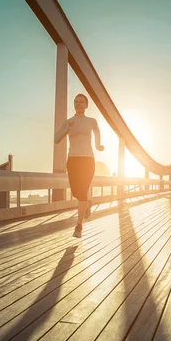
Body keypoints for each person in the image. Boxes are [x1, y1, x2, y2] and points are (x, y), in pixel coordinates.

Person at [54, 93, 104, 238]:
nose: (78, 104)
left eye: (81, 102)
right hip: (73, 160)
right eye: (76, 102)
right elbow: (57, 139)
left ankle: (79, 225)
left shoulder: (91, 121)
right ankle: (88, 203)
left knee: (81, 192)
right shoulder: (69, 122)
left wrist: (98, 145)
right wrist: (67, 129)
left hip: (87, 159)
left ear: (86, 105)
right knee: (76, 192)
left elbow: (97, 131)